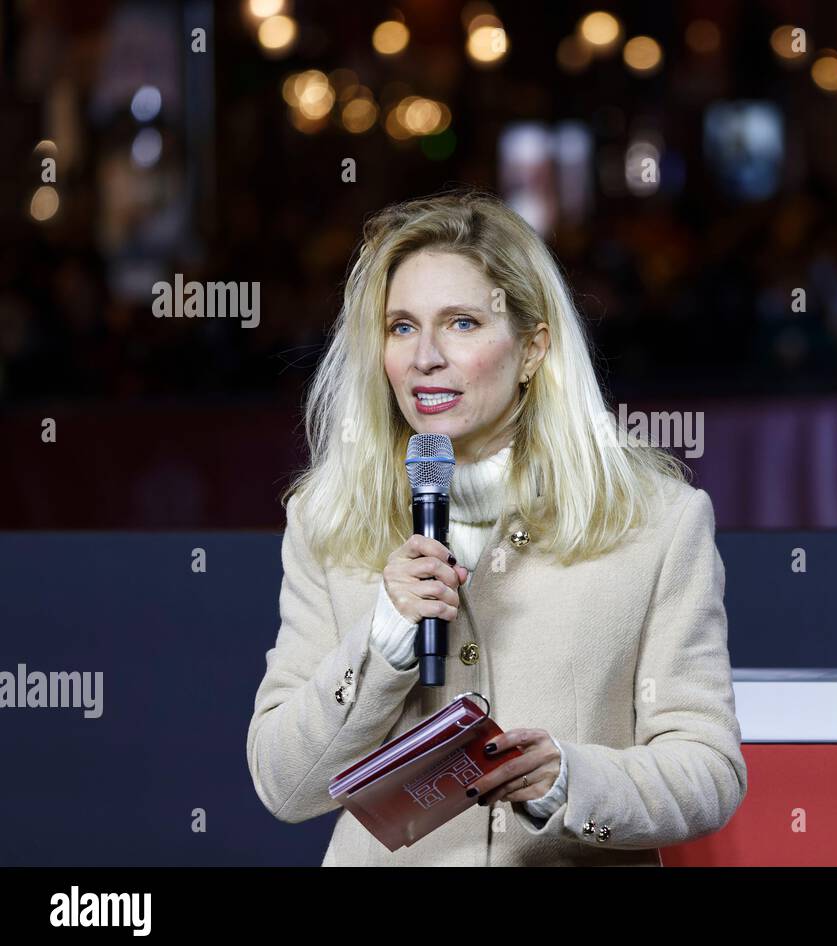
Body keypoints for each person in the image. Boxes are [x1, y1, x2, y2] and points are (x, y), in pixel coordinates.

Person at [245, 188, 747, 865]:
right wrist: (384, 643)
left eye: (460, 323)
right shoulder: (328, 519)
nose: (424, 357)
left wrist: (571, 779)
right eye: (401, 327)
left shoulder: (656, 521)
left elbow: (708, 773)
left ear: (533, 347)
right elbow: (284, 785)